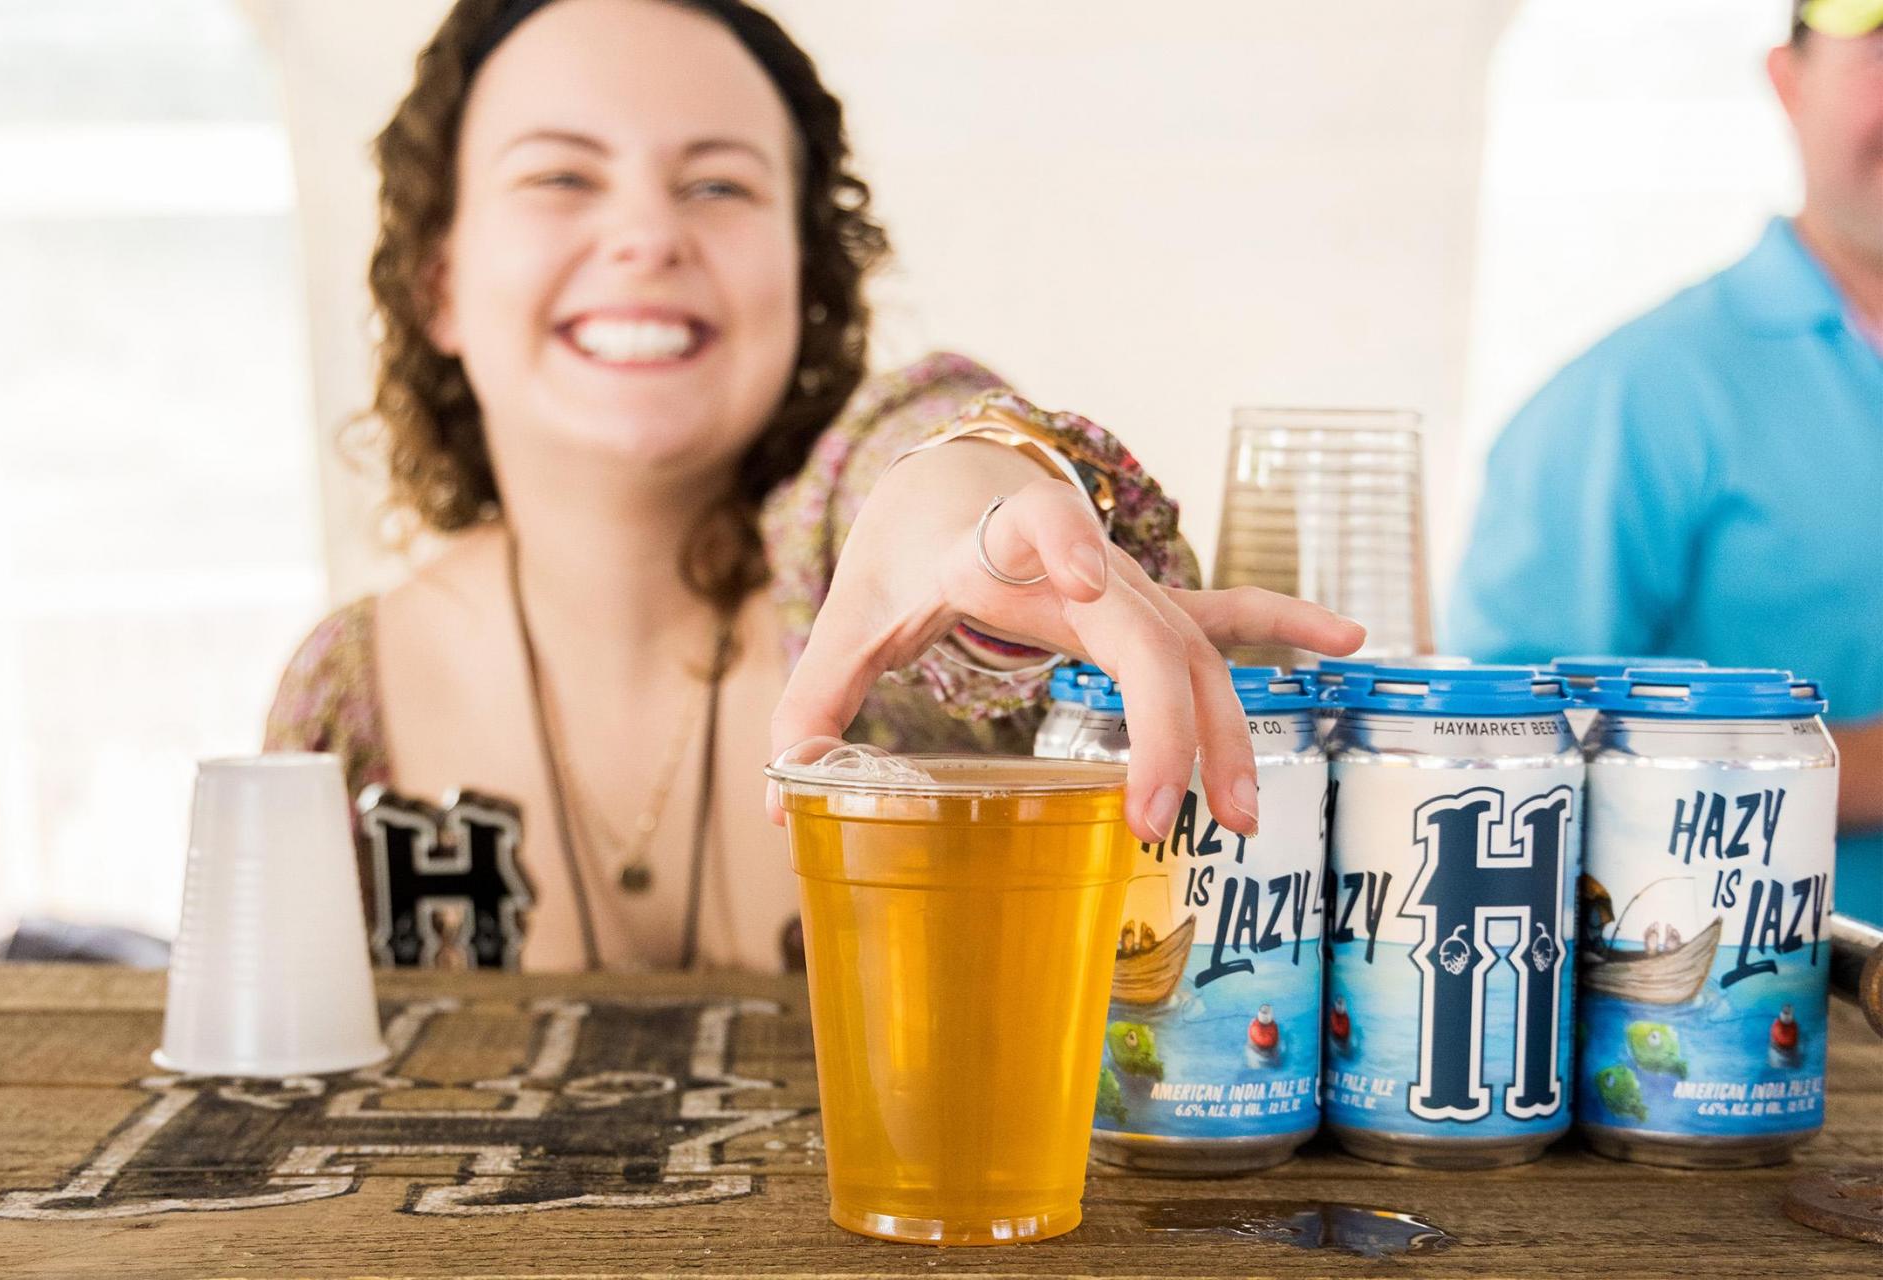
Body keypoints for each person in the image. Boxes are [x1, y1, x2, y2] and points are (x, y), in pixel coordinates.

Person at [264, 0, 1365, 973]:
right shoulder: (342, 701)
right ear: (440, 281)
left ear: (805, 277)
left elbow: (922, 462)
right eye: (559, 176)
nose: (648, 235)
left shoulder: (855, 592)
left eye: (718, 184)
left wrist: (988, 507)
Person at [1445, 0, 1883, 924]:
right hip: (1766, 1032)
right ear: (1788, 83)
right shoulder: (1628, 403)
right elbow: (1503, 767)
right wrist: (1855, 771)